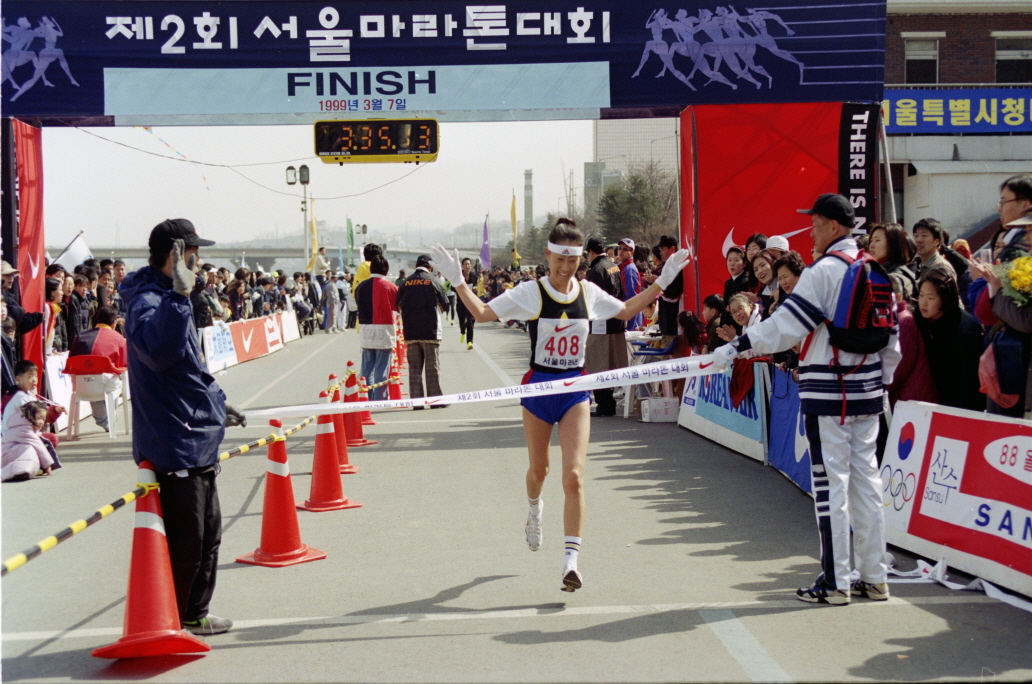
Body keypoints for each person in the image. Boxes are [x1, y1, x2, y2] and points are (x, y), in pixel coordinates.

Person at [431, 220, 690, 593]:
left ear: (580, 258)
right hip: (539, 389)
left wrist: (662, 282)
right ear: (549, 255)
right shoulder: (531, 293)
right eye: (559, 259)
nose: (565, 268)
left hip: (575, 391)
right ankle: (534, 510)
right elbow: (484, 314)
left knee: (574, 476)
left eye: (572, 260)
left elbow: (627, 309)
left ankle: (571, 561)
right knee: (540, 471)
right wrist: (458, 282)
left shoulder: (588, 292)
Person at [711, 193, 901, 606]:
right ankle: (873, 576)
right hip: (867, 392)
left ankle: (835, 583)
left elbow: (785, 327)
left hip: (828, 393)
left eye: (815, 224)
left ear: (834, 227)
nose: (810, 232)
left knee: (832, 485)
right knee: (866, 482)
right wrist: (878, 382)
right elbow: (892, 342)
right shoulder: (874, 270)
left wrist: (738, 345)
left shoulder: (824, 272)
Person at [120, 218, 246, 636]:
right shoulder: (149, 301)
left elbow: (188, 369)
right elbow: (161, 351)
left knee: (208, 537)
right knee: (187, 544)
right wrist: (179, 294)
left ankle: (194, 614)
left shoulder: (169, 298)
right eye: (196, 252)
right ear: (179, 255)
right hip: (175, 441)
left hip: (196, 437)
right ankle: (169, 623)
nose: (201, 260)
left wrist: (217, 404)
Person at [913, 267, 984, 411]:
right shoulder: (916, 320)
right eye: (921, 295)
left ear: (945, 298)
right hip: (926, 400)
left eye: (931, 298)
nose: (924, 302)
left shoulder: (965, 329)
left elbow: (967, 384)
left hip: (958, 404)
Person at [396, 255, 448, 407]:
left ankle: (417, 402)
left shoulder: (405, 283)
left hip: (411, 331)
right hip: (430, 331)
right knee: (432, 368)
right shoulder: (434, 281)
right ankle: (435, 400)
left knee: (414, 369)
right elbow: (444, 305)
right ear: (430, 267)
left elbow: (398, 306)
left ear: (416, 266)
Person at [584, 237, 626, 417]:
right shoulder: (613, 265)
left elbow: (591, 299)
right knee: (610, 365)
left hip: (600, 324)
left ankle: (605, 404)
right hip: (615, 320)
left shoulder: (596, 270)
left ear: (590, 252)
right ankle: (608, 403)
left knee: (598, 365)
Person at [67, 306, 127, 432]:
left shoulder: (81, 336)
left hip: (81, 386)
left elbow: (71, 360)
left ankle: (104, 420)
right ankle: (107, 420)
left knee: (94, 380)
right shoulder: (118, 338)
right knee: (114, 380)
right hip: (105, 385)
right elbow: (123, 365)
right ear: (114, 323)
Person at [355, 254, 398, 401]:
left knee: (366, 370)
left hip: (366, 329)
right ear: (385, 270)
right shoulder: (390, 287)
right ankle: (380, 399)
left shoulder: (361, 287)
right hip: (384, 330)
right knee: (382, 370)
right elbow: (397, 306)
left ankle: (365, 398)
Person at [1, 402, 56, 482]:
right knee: (29, 448)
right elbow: (38, 445)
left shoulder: (23, 426)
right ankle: (20, 469)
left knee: (30, 448)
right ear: (29, 416)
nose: (41, 421)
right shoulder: (24, 429)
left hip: (9, 453)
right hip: (6, 454)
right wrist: (47, 464)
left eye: (43, 419)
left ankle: (26, 468)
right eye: (39, 418)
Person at [867, 223, 917, 305]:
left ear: (892, 244)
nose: (871, 245)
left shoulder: (894, 278)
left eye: (877, 240)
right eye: (871, 240)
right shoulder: (884, 272)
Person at [616, 238, 642, 331]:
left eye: (625, 249)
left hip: (631, 318)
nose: (621, 251)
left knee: (631, 344)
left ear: (632, 252)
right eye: (620, 248)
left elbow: (632, 298)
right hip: (624, 314)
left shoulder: (629, 270)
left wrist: (627, 319)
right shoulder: (620, 266)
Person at [456, 257, 478, 349]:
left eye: (469, 264)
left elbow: (476, 286)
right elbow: (453, 287)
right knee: (462, 322)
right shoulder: (459, 276)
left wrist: (475, 288)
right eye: (465, 264)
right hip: (461, 302)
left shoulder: (474, 276)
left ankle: (469, 342)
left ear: (471, 266)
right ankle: (462, 331)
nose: (467, 266)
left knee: (470, 322)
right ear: (462, 266)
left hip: (471, 301)